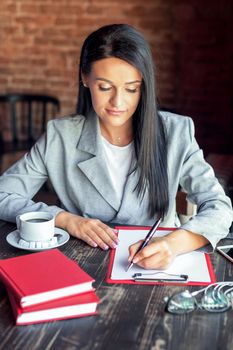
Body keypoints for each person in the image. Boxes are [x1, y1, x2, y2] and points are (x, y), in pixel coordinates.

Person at [0, 24, 232, 270]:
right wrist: (65, 219)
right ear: (85, 78)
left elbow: (219, 207)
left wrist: (173, 244)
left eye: (131, 89)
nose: (118, 102)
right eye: (105, 87)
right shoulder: (60, 136)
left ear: (143, 85)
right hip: (79, 266)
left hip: (157, 267)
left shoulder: (176, 132)